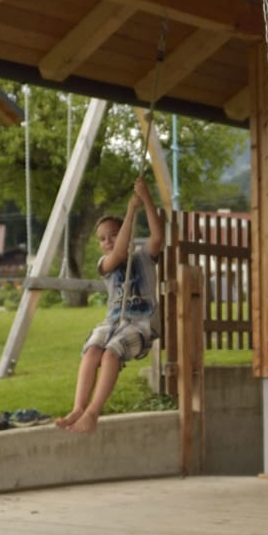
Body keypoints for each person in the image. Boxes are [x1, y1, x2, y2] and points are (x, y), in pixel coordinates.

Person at [57, 176, 166, 435]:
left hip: (140, 324)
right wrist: (130, 211)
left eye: (114, 235)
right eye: (102, 239)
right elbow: (117, 254)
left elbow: (158, 236)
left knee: (110, 354)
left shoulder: (143, 257)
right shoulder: (104, 264)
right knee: (92, 349)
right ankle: (78, 408)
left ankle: (92, 413)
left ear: (127, 234)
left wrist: (145, 199)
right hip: (112, 322)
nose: (107, 241)